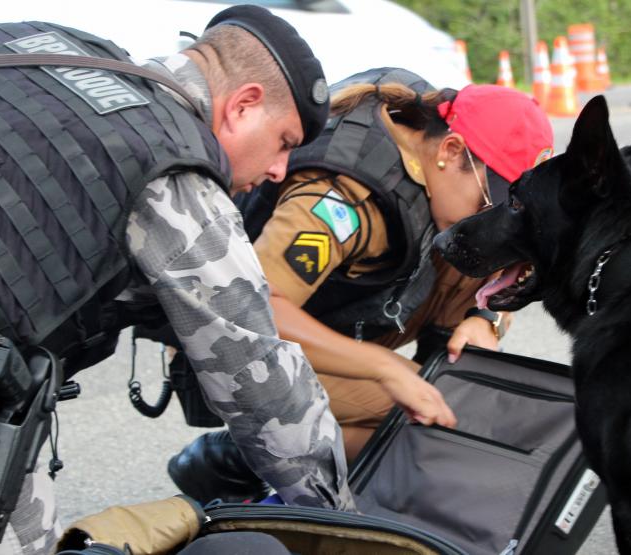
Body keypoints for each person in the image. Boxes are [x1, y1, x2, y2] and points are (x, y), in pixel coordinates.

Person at [0, 5, 355, 554]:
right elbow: (266, 390)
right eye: (283, 141)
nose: (280, 171)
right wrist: (347, 525)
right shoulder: (173, 171)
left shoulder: (30, 44)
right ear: (244, 105)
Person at [168, 68, 555, 502]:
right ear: (450, 150)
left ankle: (310, 456)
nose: (491, 220)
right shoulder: (340, 198)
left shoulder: (433, 170)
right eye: (490, 203)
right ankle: (238, 462)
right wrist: (384, 367)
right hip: (241, 349)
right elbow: (251, 307)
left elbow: (518, 263)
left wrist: (486, 318)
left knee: (450, 399)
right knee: (431, 424)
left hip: (340, 329)